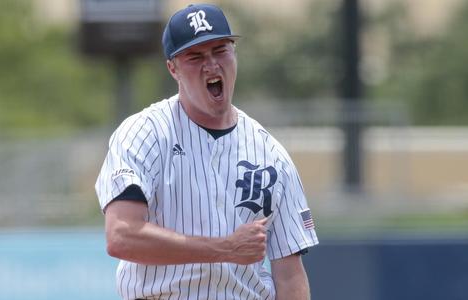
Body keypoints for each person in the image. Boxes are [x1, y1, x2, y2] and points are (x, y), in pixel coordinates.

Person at [95, 3, 319, 299]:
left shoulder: (271, 154)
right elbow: (121, 236)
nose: (211, 64)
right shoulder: (145, 133)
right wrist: (226, 248)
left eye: (220, 50)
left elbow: (290, 276)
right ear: (172, 68)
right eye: (195, 56)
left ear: (234, 53)